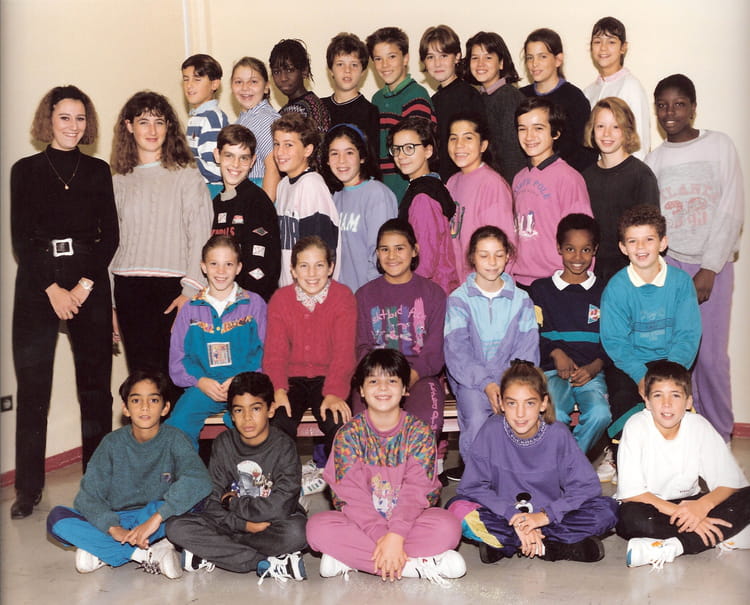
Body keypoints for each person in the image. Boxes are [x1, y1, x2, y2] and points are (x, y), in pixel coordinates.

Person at [10, 85, 119, 519]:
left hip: (88, 280)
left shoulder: (98, 170)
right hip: (38, 284)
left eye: (80, 118)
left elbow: (109, 236)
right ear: (48, 120)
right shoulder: (25, 170)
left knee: (95, 390)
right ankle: (28, 489)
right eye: (64, 117)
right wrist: (53, 289)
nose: (73, 126)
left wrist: (83, 286)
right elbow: (21, 239)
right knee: (33, 390)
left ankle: (97, 484)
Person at [306, 349, 466, 584]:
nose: (382, 388)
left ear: (405, 389)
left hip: (409, 521)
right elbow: (350, 497)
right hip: (363, 523)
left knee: (448, 527)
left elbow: (417, 492)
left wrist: (396, 535)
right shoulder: (348, 435)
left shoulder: (419, 433)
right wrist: (384, 537)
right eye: (373, 381)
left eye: (392, 381)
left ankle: (350, 559)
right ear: (361, 390)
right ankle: (416, 566)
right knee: (316, 528)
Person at [646, 74, 745, 443]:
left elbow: (732, 209)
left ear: (693, 107)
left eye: (679, 104)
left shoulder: (719, 145)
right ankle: (684, 438)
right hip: (672, 266)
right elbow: (653, 221)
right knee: (677, 357)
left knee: (712, 358)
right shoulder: (655, 160)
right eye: (662, 105)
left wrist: (709, 268)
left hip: (713, 266)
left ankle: (719, 438)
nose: (670, 112)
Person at [447, 361, 619, 563]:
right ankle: (549, 544)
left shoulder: (558, 434)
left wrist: (545, 516)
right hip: (506, 517)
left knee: (608, 509)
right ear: (501, 404)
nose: (520, 413)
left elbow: (587, 486)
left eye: (529, 403)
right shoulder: (491, 430)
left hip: (549, 518)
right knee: (456, 509)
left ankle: (506, 543)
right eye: (512, 403)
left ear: (543, 403)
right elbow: (471, 487)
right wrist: (512, 516)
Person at [46, 370, 212, 579]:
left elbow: (199, 479)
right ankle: (144, 554)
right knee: (57, 519)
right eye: (136, 400)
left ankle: (101, 550)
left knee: (192, 504)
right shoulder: (111, 444)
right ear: (125, 408)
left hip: (156, 517)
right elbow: (88, 496)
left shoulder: (175, 439)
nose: (144, 407)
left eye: (153, 400)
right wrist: (112, 527)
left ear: (165, 408)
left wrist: (156, 518)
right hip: (118, 518)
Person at [109, 91, 213, 395]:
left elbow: (201, 236)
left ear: (169, 127)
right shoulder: (118, 180)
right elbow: (110, 244)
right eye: (144, 122)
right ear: (129, 126)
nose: (152, 130)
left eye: (159, 122)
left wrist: (190, 292)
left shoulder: (187, 176)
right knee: (142, 383)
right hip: (128, 289)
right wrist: (110, 302)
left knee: (174, 380)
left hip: (173, 291)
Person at [166, 372, 308, 582]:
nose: (247, 418)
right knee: (175, 527)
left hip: (269, 526)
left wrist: (232, 503)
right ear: (231, 414)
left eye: (256, 409)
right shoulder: (223, 443)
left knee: (299, 532)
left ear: (270, 410)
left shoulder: (284, 446)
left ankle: (215, 552)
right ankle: (264, 563)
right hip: (232, 525)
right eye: (239, 410)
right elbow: (212, 500)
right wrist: (243, 525)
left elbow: (279, 507)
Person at [598, 205, 701, 481]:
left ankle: (674, 465)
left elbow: (688, 334)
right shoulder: (617, 288)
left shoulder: (680, 283)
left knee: (671, 400)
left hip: (670, 362)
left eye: (649, 239)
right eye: (633, 241)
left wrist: (668, 376)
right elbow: (615, 341)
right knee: (623, 400)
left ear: (663, 243)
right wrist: (640, 375)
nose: (641, 247)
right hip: (630, 363)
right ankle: (621, 458)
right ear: (623, 247)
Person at [615, 360, 750, 568]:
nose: (666, 404)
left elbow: (730, 482)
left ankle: (673, 546)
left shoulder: (699, 426)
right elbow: (632, 494)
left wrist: (701, 507)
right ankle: (724, 535)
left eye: (675, 395)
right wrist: (692, 518)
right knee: (631, 519)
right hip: (652, 505)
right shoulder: (636, 426)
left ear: (688, 402)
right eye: (658, 395)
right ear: (647, 401)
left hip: (691, 502)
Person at [444, 226, 538, 463]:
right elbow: (457, 352)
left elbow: (527, 349)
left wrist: (509, 385)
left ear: (508, 256)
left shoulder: (522, 300)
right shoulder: (458, 300)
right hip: (471, 382)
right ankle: (478, 479)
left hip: (512, 381)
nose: (492, 262)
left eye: (499, 255)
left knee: (519, 418)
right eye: (484, 255)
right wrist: (486, 384)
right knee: (477, 419)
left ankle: (514, 477)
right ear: (472, 257)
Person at [166, 235, 267, 449]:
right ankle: (188, 470)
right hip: (202, 388)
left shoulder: (254, 304)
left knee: (249, 424)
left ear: (238, 267)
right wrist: (200, 381)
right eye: (214, 264)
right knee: (178, 426)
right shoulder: (189, 309)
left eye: (228, 264)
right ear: (203, 267)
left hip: (245, 388)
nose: (221, 271)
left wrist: (241, 380)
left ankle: (249, 467)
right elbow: (177, 361)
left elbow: (267, 353)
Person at [264, 236, 356, 466]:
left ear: (331, 268)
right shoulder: (281, 299)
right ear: (293, 270)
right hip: (291, 380)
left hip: (329, 378)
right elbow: (275, 353)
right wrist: (278, 389)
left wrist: (334, 392)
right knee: (278, 421)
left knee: (338, 420)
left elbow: (344, 352)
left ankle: (341, 483)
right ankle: (285, 483)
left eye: (319, 265)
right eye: (304, 266)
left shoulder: (343, 296)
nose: (312, 274)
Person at [354, 219, 447, 437]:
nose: (392, 256)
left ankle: (417, 462)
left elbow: (435, 351)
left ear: (415, 250)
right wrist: (382, 380)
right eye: (384, 249)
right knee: (364, 429)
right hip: (375, 377)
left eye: (399, 248)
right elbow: (361, 347)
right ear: (377, 253)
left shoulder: (433, 294)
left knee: (426, 424)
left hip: (419, 377)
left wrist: (408, 378)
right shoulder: (364, 295)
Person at [529, 214, 610, 456]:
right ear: (559, 248)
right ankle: (566, 464)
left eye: (585, 250)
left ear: (595, 250)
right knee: (555, 415)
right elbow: (531, 334)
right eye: (570, 249)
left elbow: (614, 338)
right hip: (552, 372)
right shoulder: (540, 290)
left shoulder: (605, 291)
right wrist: (556, 352)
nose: (577, 257)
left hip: (591, 373)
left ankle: (570, 462)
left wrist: (595, 366)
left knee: (600, 414)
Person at [511, 97, 592, 288]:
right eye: (522, 129)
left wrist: (577, 284)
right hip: (520, 281)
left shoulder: (569, 178)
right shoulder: (518, 178)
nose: (529, 136)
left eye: (538, 128)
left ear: (555, 133)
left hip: (556, 282)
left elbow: (583, 235)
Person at [582, 97, 659, 283]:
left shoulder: (641, 175)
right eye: (600, 126)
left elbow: (650, 232)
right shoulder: (585, 177)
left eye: (615, 127)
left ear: (627, 131)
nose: (607, 133)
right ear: (592, 130)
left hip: (630, 272)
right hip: (592, 272)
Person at [320, 123, 397, 292]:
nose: (341, 160)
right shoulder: (335, 197)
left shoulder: (377, 194)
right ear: (327, 160)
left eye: (349, 152)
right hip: (342, 297)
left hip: (370, 296)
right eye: (334, 153)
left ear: (362, 157)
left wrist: (368, 297)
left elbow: (381, 255)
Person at [210, 124, 281, 302]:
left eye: (243, 158)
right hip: (220, 301)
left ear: (253, 161)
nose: (236, 165)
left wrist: (245, 303)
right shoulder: (215, 204)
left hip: (250, 304)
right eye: (229, 155)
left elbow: (261, 266)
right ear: (217, 155)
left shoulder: (258, 202)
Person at [388, 116, 459, 294]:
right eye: (396, 149)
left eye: (409, 148)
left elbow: (424, 264)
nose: (401, 155)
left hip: (428, 294)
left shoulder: (423, 197)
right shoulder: (430, 186)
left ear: (428, 151)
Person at [366, 26, 436, 203]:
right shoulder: (377, 99)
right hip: (383, 193)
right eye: (378, 59)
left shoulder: (416, 96)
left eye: (392, 57)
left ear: (405, 58)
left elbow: (417, 154)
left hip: (407, 193)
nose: (385, 65)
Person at [272, 112, 341, 287]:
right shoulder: (283, 185)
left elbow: (319, 251)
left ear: (307, 150)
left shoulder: (311, 185)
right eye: (277, 144)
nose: (280, 152)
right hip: (289, 290)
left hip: (310, 289)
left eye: (289, 145)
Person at [445, 111, 515, 281]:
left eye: (468, 138)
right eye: (453, 138)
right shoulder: (452, 182)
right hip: (458, 286)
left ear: (483, 145)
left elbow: (503, 246)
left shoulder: (492, 185)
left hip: (485, 286)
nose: (459, 145)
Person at [520, 28, 596, 172]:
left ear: (558, 60)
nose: (534, 63)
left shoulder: (575, 99)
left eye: (542, 57)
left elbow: (587, 151)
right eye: (530, 57)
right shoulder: (521, 96)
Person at [419, 25, 485, 182]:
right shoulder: (433, 100)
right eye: (430, 57)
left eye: (443, 56)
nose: (437, 63)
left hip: (465, 180)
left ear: (457, 57)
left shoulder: (468, 96)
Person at [584, 17, 651, 160]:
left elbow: (641, 144)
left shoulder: (631, 87)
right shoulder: (588, 92)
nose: (603, 48)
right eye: (597, 42)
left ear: (623, 47)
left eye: (611, 42)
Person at [464, 31, 526, 184]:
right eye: (475, 58)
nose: (480, 64)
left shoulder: (508, 97)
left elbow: (513, 154)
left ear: (501, 63)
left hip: (506, 185)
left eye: (488, 57)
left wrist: (508, 190)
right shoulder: (477, 97)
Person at [230, 56, 281, 198]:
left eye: (253, 82)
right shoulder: (243, 119)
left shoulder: (264, 119)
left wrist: (265, 208)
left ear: (266, 87)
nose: (245, 88)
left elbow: (273, 167)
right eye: (238, 82)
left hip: (261, 196)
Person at [322, 32, 380, 156]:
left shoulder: (370, 113)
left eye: (354, 65)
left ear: (363, 71)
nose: (347, 70)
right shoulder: (319, 107)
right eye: (340, 64)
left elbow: (372, 158)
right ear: (331, 70)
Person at [182, 53, 229, 197]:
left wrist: (183, 160)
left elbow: (216, 170)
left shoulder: (212, 118)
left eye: (197, 79)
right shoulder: (197, 117)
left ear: (214, 84)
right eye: (186, 79)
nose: (189, 85)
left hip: (212, 192)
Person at [270, 38, 330, 135]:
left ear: (304, 71)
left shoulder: (311, 109)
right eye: (276, 72)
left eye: (289, 70)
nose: (283, 78)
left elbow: (318, 143)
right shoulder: (283, 111)